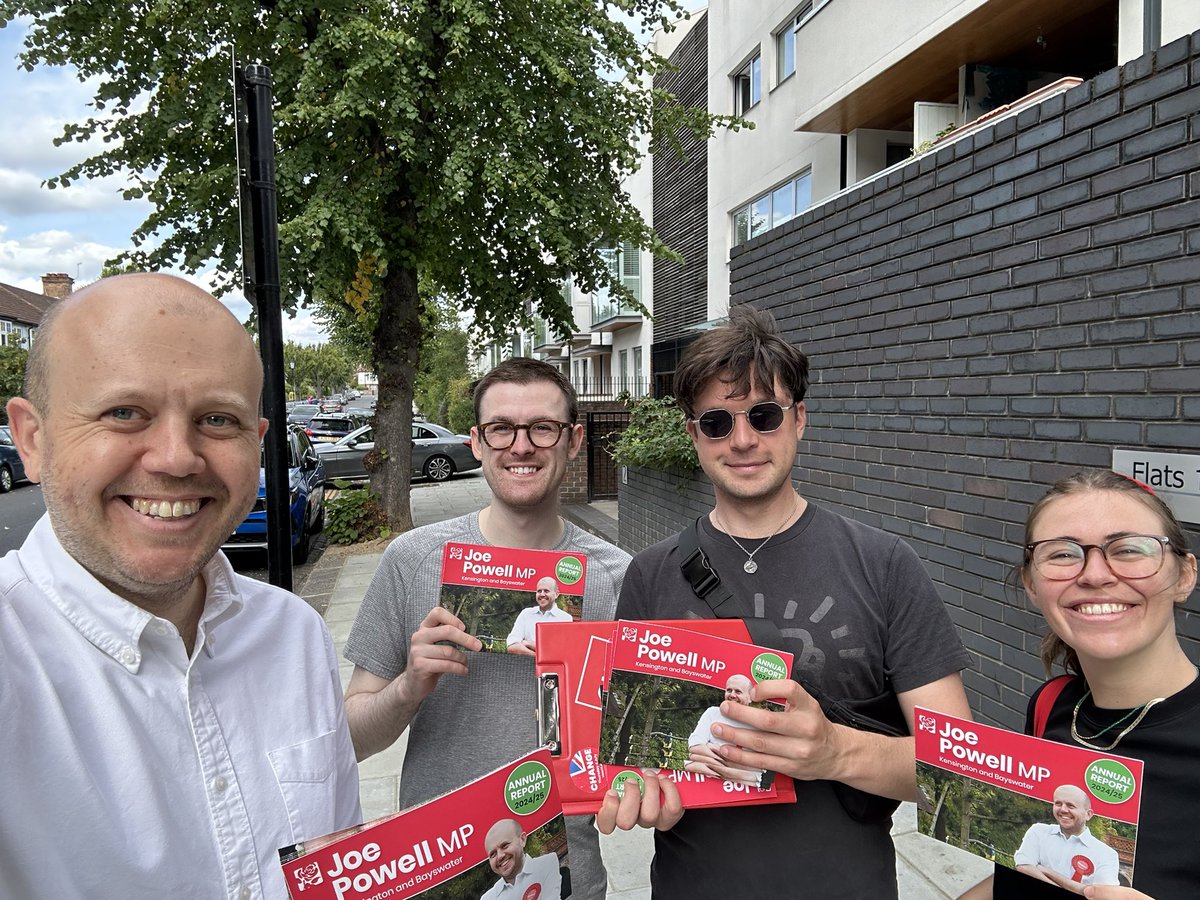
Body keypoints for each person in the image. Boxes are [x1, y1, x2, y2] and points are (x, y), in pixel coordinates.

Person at [0, 273, 360, 898]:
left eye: (217, 420)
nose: (175, 457)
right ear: (33, 439)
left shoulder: (293, 633)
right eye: (124, 413)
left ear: (257, 444)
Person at [598, 305, 971, 899]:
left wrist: (834, 752)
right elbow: (633, 752)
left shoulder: (884, 564)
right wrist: (641, 789)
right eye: (717, 422)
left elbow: (959, 775)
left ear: (799, 419)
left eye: (764, 415)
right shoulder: (649, 575)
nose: (743, 439)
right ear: (694, 436)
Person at [343, 357, 630, 900]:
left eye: (542, 428)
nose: (520, 446)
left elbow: (633, 743)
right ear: (476, 442)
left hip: (567, 876)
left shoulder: (619, 576)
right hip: (437, 872)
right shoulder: (412, 560)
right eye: (501, 428)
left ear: (573, 441)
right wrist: (407, 687)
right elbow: (351, 740)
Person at [984, 469, 1199, 900]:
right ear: (1031, 585)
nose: (1095, 574)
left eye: (1129, 549)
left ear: (1184, 576)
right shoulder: (1051, 704)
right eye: (1063, 554)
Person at [1012, 785, 1119, 892]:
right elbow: (1023, 867)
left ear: (1088, 815)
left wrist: (1046, 871)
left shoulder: (1106, 854)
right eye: (1058, 803)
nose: (1063, 809)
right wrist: (1079, 889)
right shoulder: (1038, 832)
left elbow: (1101, 894)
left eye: (1070, 806)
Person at [685, 673, 765, 785]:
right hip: (709, 778)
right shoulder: (712, 713)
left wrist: (712, 748)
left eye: (738, 692)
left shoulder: (758, 724)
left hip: (744, 783)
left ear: (750, 697)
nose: (732, 695)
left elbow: (759, 767)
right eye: (729, 690)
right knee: (692, 765)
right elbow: (695, 746)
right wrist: (726, 767)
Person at [480, 818, 562, 900]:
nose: (500, 856)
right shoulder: (488, 898)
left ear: (522, 840)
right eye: (493, 854)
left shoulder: (546, 864)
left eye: (505, 846)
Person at [506, 575, 572, 655]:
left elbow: (559, 652)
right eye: (539, 591)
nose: (542, 594)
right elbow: (512, 646)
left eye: (546, 591)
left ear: (556, 594)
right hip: (524, 663)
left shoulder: (565, 619)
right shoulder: (526, 614)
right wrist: (538, 657)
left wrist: (528, 643)